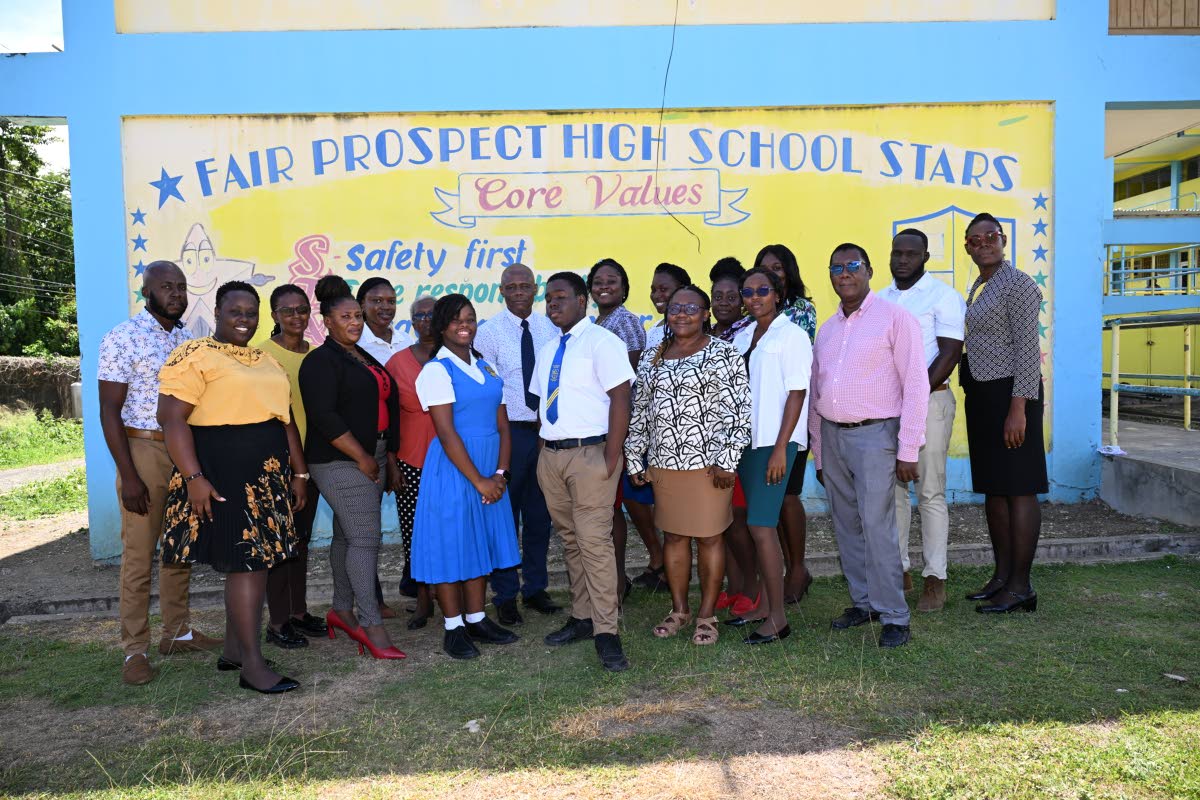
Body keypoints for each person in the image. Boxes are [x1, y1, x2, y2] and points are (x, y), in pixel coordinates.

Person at [157, 281, 306, 694]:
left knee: (253, 562)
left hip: (267, 472)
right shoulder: (194, 355)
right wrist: (193, 478)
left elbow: (285, 420)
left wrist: (299, 473)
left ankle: (233, 650)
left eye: (251, 312)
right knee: (248, 564)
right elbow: (171, 419)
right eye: (235, 311)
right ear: (218, 313)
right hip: (222, 471)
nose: (244, 319)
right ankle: (253, 666)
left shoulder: (264, 360)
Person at [98, 260, 222, 686]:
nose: (176, 294)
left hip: (184, 452)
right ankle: (135, 649)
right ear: (146, 291)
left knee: (180, 547)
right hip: (143, 449)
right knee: (139, 555)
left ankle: (178, 632)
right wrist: (128, 474)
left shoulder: (191, 341)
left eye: (181, 287)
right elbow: (109, 411)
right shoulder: (123, 337)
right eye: (167, 286)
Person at [810, 243, 927, 649]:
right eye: (837, 266)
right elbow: (816, 391)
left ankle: (895, 615)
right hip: (833, 436)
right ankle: (865, 603)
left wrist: (908, 449)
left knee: (878, 527)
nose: (845, 273)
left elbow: (916, 384)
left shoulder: (896, 319)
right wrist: (820, 453)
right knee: (846, 525)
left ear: (869, 270)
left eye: (853, 265)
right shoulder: (826, 329)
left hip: (877, 436)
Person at [626, 285, 750, 646]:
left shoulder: (724, 354)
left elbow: (740, 411)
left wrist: (728, 461)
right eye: (676, 307)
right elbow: (641, 412)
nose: (682, 314)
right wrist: (635, 456)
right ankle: (679, 610)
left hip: (710, 466)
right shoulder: (653, 355)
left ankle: (707, 614)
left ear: (705, 313)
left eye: (691, 308)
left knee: (711, 537)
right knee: (675, 537)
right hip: (664, 464)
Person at [299, 276, 406, 660]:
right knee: (366, 539)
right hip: (340, 459)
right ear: (326, 320)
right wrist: (362, 457)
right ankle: (371, 625)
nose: (355, 322)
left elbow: (384, 407)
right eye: (346, 316)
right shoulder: (320, 361)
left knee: (347, 536)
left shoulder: (361, 356)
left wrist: (387, 455)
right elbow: (324, 416)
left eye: (358, 316)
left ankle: (341, 610)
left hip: (373, 455)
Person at [412, 293, 523, 659]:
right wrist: (480, 481)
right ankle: (453, 627)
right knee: (452, 545)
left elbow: (503, 425)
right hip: (456, 470)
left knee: (480, 543)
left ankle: (477, 617)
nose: (465, 325)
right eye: (457, 319)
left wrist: (501, 473)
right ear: (442, 326)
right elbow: (446, 433)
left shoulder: (486, 367)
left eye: (471, 318)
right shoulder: (435, 371)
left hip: (491, 470)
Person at [535, 272, 635, 672]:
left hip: (592, 455)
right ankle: (582, 617)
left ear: (582, 300)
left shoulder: (603, 342)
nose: (553, 304)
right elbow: (546, 403)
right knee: (572, 540)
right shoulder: (548, 349)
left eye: (561, 297)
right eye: (549, 299)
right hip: (553, 457)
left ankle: (607, 632)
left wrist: (612, 455)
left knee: (594, 542)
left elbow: (621, 398)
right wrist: (545, 450)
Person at [960, 213, 1047, 614]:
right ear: (967, 248)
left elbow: (1029, 350)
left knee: (1019, 488)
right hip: (983, 394)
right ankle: (1001, 577)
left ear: (1003, 239)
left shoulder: (1019, 284)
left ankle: (1021, 586)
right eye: (975, 241)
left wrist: (1019, 409)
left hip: (1013, 395)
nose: (984, 244)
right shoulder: (980, 285)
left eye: (990, 236)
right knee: (995, 489)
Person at [879, 228, 966, 611]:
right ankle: (899, 571)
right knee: (893, 492)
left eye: (911, 254)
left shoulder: (943, 297)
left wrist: (912, 397)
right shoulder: (879, 299)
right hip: (887, 408)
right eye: (897, 253)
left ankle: (936, 578)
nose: (902, 259)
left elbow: (949, 353)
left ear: (925, 258)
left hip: (930, 401)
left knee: (929, 491)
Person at [473, 263, 563, 624]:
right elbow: (487, 389)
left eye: (526, 286)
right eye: (512, 287)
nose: (520, 292)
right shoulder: (488, 333)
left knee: (540, 516)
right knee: (504, 517)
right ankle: (506, 594)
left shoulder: (551, 328)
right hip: (507, 434)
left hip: (545, 433)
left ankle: (536, 589)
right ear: (501, 291)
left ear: (536, 288)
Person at [730, 267, 812, 644]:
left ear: (777, 294)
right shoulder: (745, 334)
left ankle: (778, 617)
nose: (754, 297)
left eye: (762, 290)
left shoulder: (791, 335)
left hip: (774, 443)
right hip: (747, 443)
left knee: (762, 527)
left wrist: (781, 447)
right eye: (747, 292)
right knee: (755, 525)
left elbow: (797, 392)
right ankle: (764, 605)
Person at [258, 284, 329, 648]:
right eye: (288, 311)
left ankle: (299, 612)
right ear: (274, 316)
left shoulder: (317, 356)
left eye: (302, 309)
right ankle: (278, 621)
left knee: (300, 541)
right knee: (280, 544)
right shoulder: (261, 356)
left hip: (311, 460)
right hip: (278, 464)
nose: (296, 316)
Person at [587, 257, 662, 595]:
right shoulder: (594, 324)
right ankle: (617, 578)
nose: (605, 285)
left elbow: (626, 383)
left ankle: (618, 581)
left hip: (622, 425)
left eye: (612, 280)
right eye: (598, 281)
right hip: (600, 424)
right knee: (611, 505)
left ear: (624, 288)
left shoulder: (626, 322)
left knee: (614, 504)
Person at [752, 244, 817, 605]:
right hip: (758, 432)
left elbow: (796, 381)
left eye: (777, 269)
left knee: (787, 496)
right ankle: (777, 578)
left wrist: (782, 442)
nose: (771, 274)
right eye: (763, 269)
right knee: (768, 507)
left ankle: (797, 569)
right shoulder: (751, 324)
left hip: (786, 428)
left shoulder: (798, 315)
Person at [383, 296, 438, 630]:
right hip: (410, 461)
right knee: (415, 536)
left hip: (452, 460)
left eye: (432, 315)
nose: (426, 320)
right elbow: (388, 418)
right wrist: (390, 461)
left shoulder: (455, 355)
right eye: (419, 315)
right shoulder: (397, 362)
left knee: (448, 531)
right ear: (411, 321)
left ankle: (454, 599)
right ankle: (422, 602)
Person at [709, 258, 757, 618]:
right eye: (717, 295)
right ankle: (733, 585)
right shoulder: (704, 334)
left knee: (739, 518)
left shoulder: (751, 332)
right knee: (719, 519)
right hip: (710, 440)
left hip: (740, 440)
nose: (723, 301)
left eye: (731, 295)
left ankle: (752, 587)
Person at [357, 277, 415, 365]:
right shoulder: (357, 344)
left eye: (391, 301)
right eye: (378, 301)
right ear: (362, 305)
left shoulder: (406, 340)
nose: (386, 307)